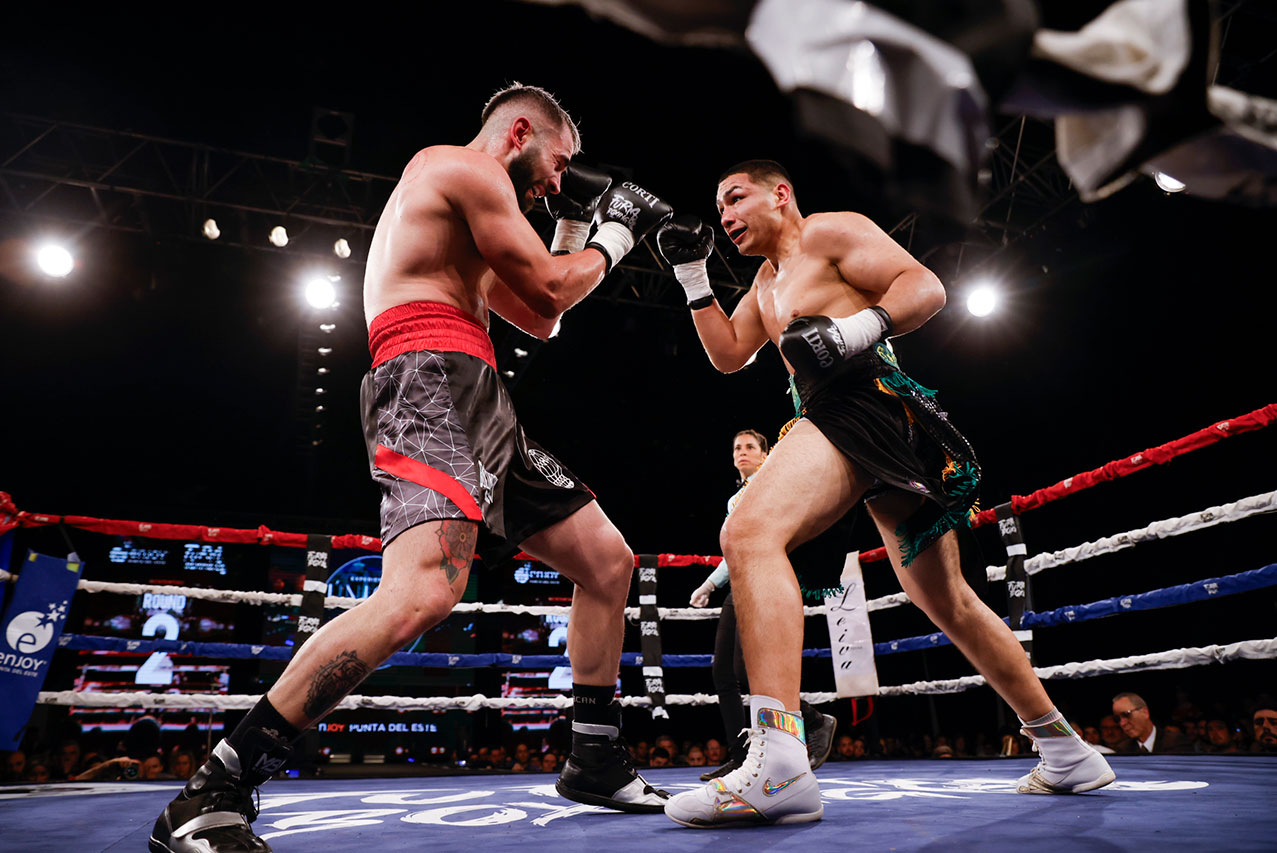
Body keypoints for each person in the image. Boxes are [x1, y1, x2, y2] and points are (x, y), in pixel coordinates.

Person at [150, 83, 675, 853]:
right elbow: (559, 284)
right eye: (559, 164)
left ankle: (594, 756)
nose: (558, 179)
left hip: (478, 389)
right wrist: (619, 230)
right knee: (423, 590)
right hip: (429, 376)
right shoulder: (458, 168)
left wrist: (570, 226)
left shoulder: (475, 214)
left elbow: (543, 313)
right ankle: (214, 787)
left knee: (605, 561)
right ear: (519, 131)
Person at [657, 160, 1114, 828]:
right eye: (717, 205)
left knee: (749, 533)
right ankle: (1064, 748)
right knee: (948, 601)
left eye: (734, 197)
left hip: (864, 398)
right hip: (850, 419)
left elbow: (924, 288)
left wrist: (848, 331)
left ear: (780, 193)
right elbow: (728, 354)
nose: (723, 215)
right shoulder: (761, 282)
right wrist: (692, 276)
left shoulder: (827, 232)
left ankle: (779, 759)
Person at [688, 428, 836, 781]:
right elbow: (735, 549)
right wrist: (711, 584)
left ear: (765, 455)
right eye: (737, 446)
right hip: (738, 584)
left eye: (750, 447)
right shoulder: (733, 501)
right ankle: (740, 757)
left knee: (746, 671)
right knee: (722, 671)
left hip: (764, 581)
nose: (742, 452)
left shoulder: (773, 487)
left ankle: (813, 720)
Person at [1113, 692, 1187, 754]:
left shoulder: (1175, 743)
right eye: (1117, 719)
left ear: (1145, 712)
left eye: (1126, 714)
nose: (1122, 723)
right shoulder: (1122, 750)